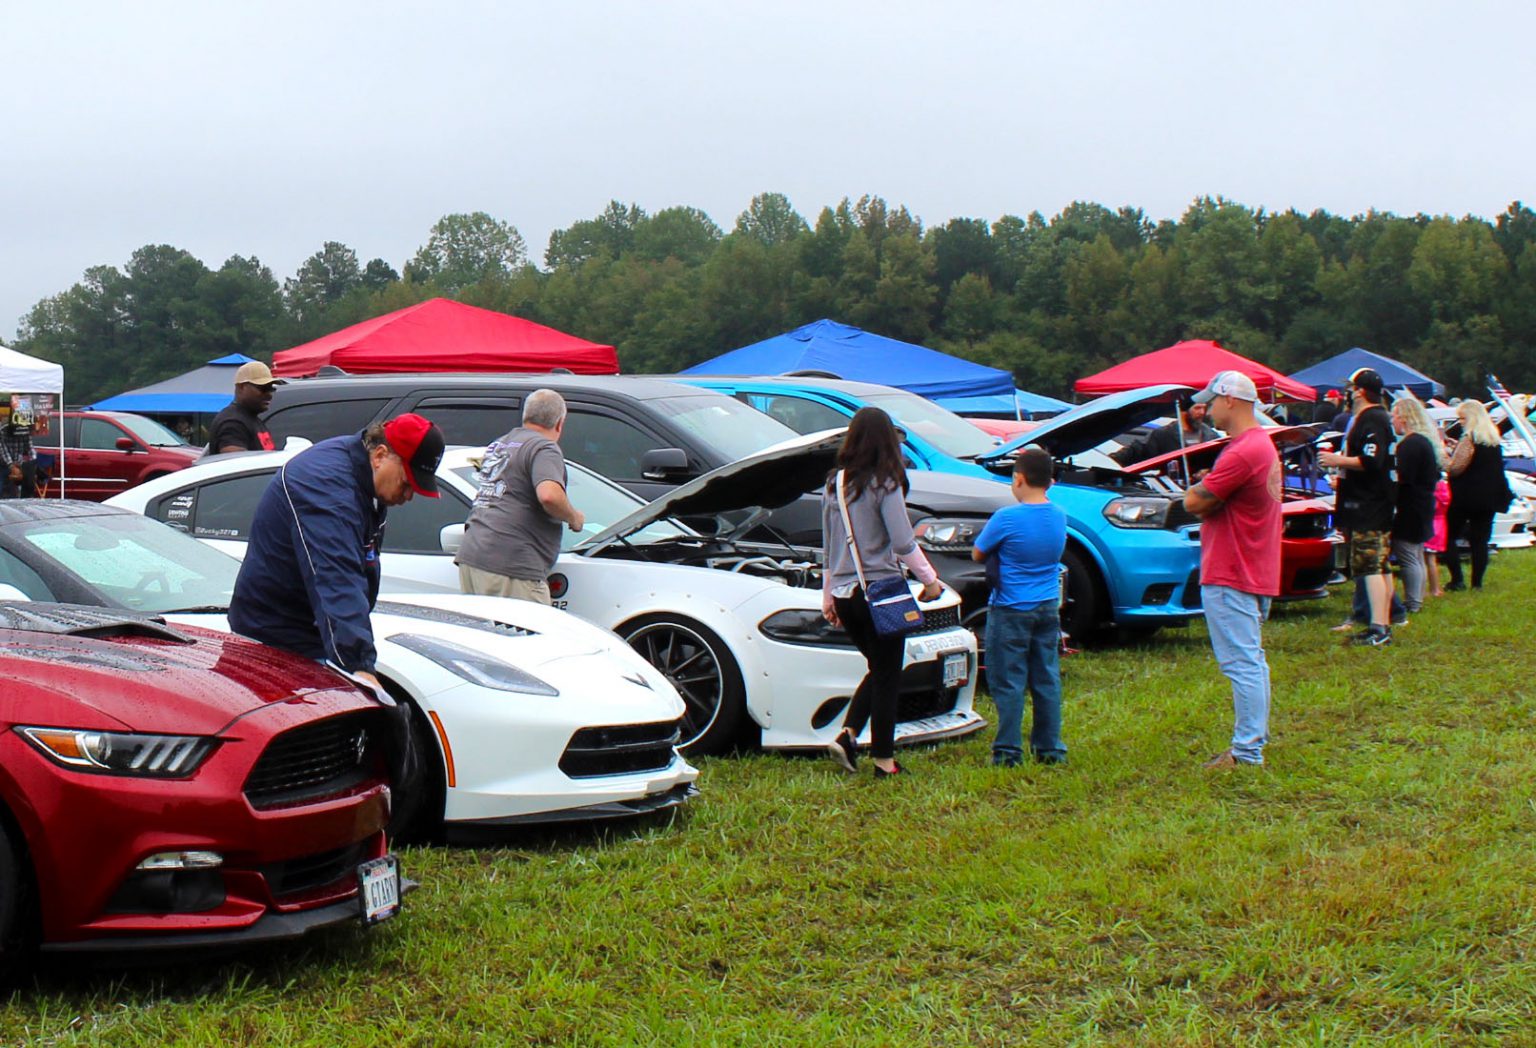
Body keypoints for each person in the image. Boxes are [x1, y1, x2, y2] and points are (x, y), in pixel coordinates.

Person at [229, 413, 445, 695]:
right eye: (407, 483)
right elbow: (337, 578)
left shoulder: (363, 474)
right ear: (380, 455)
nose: (408, 496)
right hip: (274, 641)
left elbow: (360, 568)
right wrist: (359, 667)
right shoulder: (326, 488)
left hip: (310, 631)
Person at [822, 407, 942, 778]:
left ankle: (848, 734)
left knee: (881, 667)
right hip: (880, 591)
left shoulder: (834, 483)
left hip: (845, 592)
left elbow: (827, 546)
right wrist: (930, 580)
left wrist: (827, 595)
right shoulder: (885, 483)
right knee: (888, 673)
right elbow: (903, 541)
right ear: (888, 441)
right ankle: (883, 760)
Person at [1183, 371, 1282, 768]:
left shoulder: (1241, 451)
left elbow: (1194, 503)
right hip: (1254, 566)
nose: (1205, 408)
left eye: (1211, 400)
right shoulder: (1261, 445)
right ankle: (1252, 741)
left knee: (1241, 664)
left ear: (1231, 401)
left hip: (1232, 569)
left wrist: (1201, 490)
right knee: (1252, 661)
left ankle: (1246, 751)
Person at [971, 446, 1068, 767]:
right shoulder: (1059, 515)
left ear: (1019, 479)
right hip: (1046, 605)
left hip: (1011, 607)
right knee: (1046, 678)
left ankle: (1008, 752)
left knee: (1009, 680)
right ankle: (1050, 748)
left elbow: (978, 553)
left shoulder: (1007, 517)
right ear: (1050, 482)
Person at [456, 389, 585, 605]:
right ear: (560, 423)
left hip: (473, 557)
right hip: (511, 564)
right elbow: (549, 496)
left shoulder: (500, 444)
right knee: (530, 636)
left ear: (526, 416)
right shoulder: (544, 448)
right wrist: (574, 517)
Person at [1319, 367, 1397, 647]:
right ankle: (1384, 621)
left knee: (1369, 566)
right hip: (1373, 501)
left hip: (1370, 504)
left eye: (1351, 389)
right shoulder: (1375, 417)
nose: (1348, 394)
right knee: (1380, 564)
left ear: (1361, 391)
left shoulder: (1372, 418)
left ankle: (1379, 628)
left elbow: (1371, 460)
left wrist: (1337, 460)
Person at [1443, 400, 1512, 591]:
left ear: (1471, 418)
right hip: (1490, 496)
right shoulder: (1493, 439)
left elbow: (1456, 468)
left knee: (1448, 535)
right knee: (1480, 540)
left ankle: (1457, 579)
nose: (1461, 422)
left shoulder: (1469, 439)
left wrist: (1443, 455)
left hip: (1466, 497)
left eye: (1463, 418)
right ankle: (1477, 583)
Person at [1389, 396, 1443, 613]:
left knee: (1408, 555)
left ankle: (1413, 603)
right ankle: (1417, 598)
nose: (1392, 421)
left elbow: (1403, 478)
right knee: (1417, 554)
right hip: (1423, 503)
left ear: (1404, 417)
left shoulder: (1409, 445)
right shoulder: (1425, 442)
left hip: (1410, 505)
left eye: (1394, 416)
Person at [205, 361, 284, 456]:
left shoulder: (250, 418)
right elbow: (236, 464)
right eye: (263, 388)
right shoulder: (233, 423)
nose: (269, 395)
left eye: (271, 389)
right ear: (241, 387)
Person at [1113, 401, 1218, 465]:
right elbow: (1135, 451)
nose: (1202, 413)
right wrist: (1109, 463)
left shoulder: (1211, 436)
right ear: (1183, 411)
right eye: (1197, 408)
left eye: (1204, 408)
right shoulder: (1163, 435)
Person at [1424, 477, 1451, 597]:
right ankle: (1436, 587)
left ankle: (1431, 589)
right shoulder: (1444, 487)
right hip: (1440, 524)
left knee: (1425, 560)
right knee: (1432, 559)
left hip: (1429, 524)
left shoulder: (1430, 488)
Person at [0, 415, 36, 499]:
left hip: (19, 464)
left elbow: (30, 447)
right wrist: (11, 466)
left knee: (19, 492)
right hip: (3, 464)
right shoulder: (3, 431)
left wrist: (33, 462)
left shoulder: (25, 431)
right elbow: (3, 450)